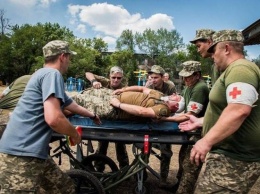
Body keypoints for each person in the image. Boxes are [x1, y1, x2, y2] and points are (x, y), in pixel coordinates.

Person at [0, 40, 101, 193]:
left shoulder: (40, 74)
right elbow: (54, 118)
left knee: (64, 188)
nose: (70, 61)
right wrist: (74, 134)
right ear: (62, 57)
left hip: (35, 152)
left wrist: (92, 115)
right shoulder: (53, 75)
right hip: (19, 155)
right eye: (69, 57)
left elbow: (70, 104)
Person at [179, 30, 260, 193]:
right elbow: (229, 109)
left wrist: (206, 141)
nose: (213, 56)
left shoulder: (240, 69)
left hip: (236, 157)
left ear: (227, 49)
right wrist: (203, 121)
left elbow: (239, 110)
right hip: (229, 154)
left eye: (214, 51)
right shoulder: (232, 70)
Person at [163, 61, 209, 194]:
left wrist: (165, 119)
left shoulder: (200, 88)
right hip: (190, 130)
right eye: (184, 76)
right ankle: (178, 186)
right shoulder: (189, 86)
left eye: (188, 76)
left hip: (198, 132)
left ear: (197, 75)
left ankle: (184, 190)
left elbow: (190, 115)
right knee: (183, 159)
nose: (185, 80)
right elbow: (183, 103)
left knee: (190, 165)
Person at [85, 66, 129, 169]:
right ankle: (99, 168)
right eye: (113, 77)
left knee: (121, 146)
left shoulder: (125, 88)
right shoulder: (105, 82)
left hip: (118, 121)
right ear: (109, 76)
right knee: (102, 145)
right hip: (103, 120)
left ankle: (124, 169)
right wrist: (94, 81)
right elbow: (88, 73)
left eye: (119, 78)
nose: (116, 80)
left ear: (122, 78)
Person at [72, 86, 181, 120]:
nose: (174, 94)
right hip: (113, 96)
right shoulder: (160, 95)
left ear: (176, 105)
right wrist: (124, 89)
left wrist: (118, 104)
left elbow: (142, 112)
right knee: (87, 91)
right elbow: (141, 88)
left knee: (77, 98)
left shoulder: (163, 109)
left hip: (114, 109)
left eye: (176, 96)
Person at [146, 65, 176, 187]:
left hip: (164, 122)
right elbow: (144, 104)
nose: (153, 80)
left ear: (163, 77)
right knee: (144, 149)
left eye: (156, 77)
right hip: (150, 121)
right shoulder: (148, 86)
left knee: (166, 151)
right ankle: (141, 176)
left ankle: (163, 179)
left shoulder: (170, 87)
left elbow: (173, 107)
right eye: (151, 77)